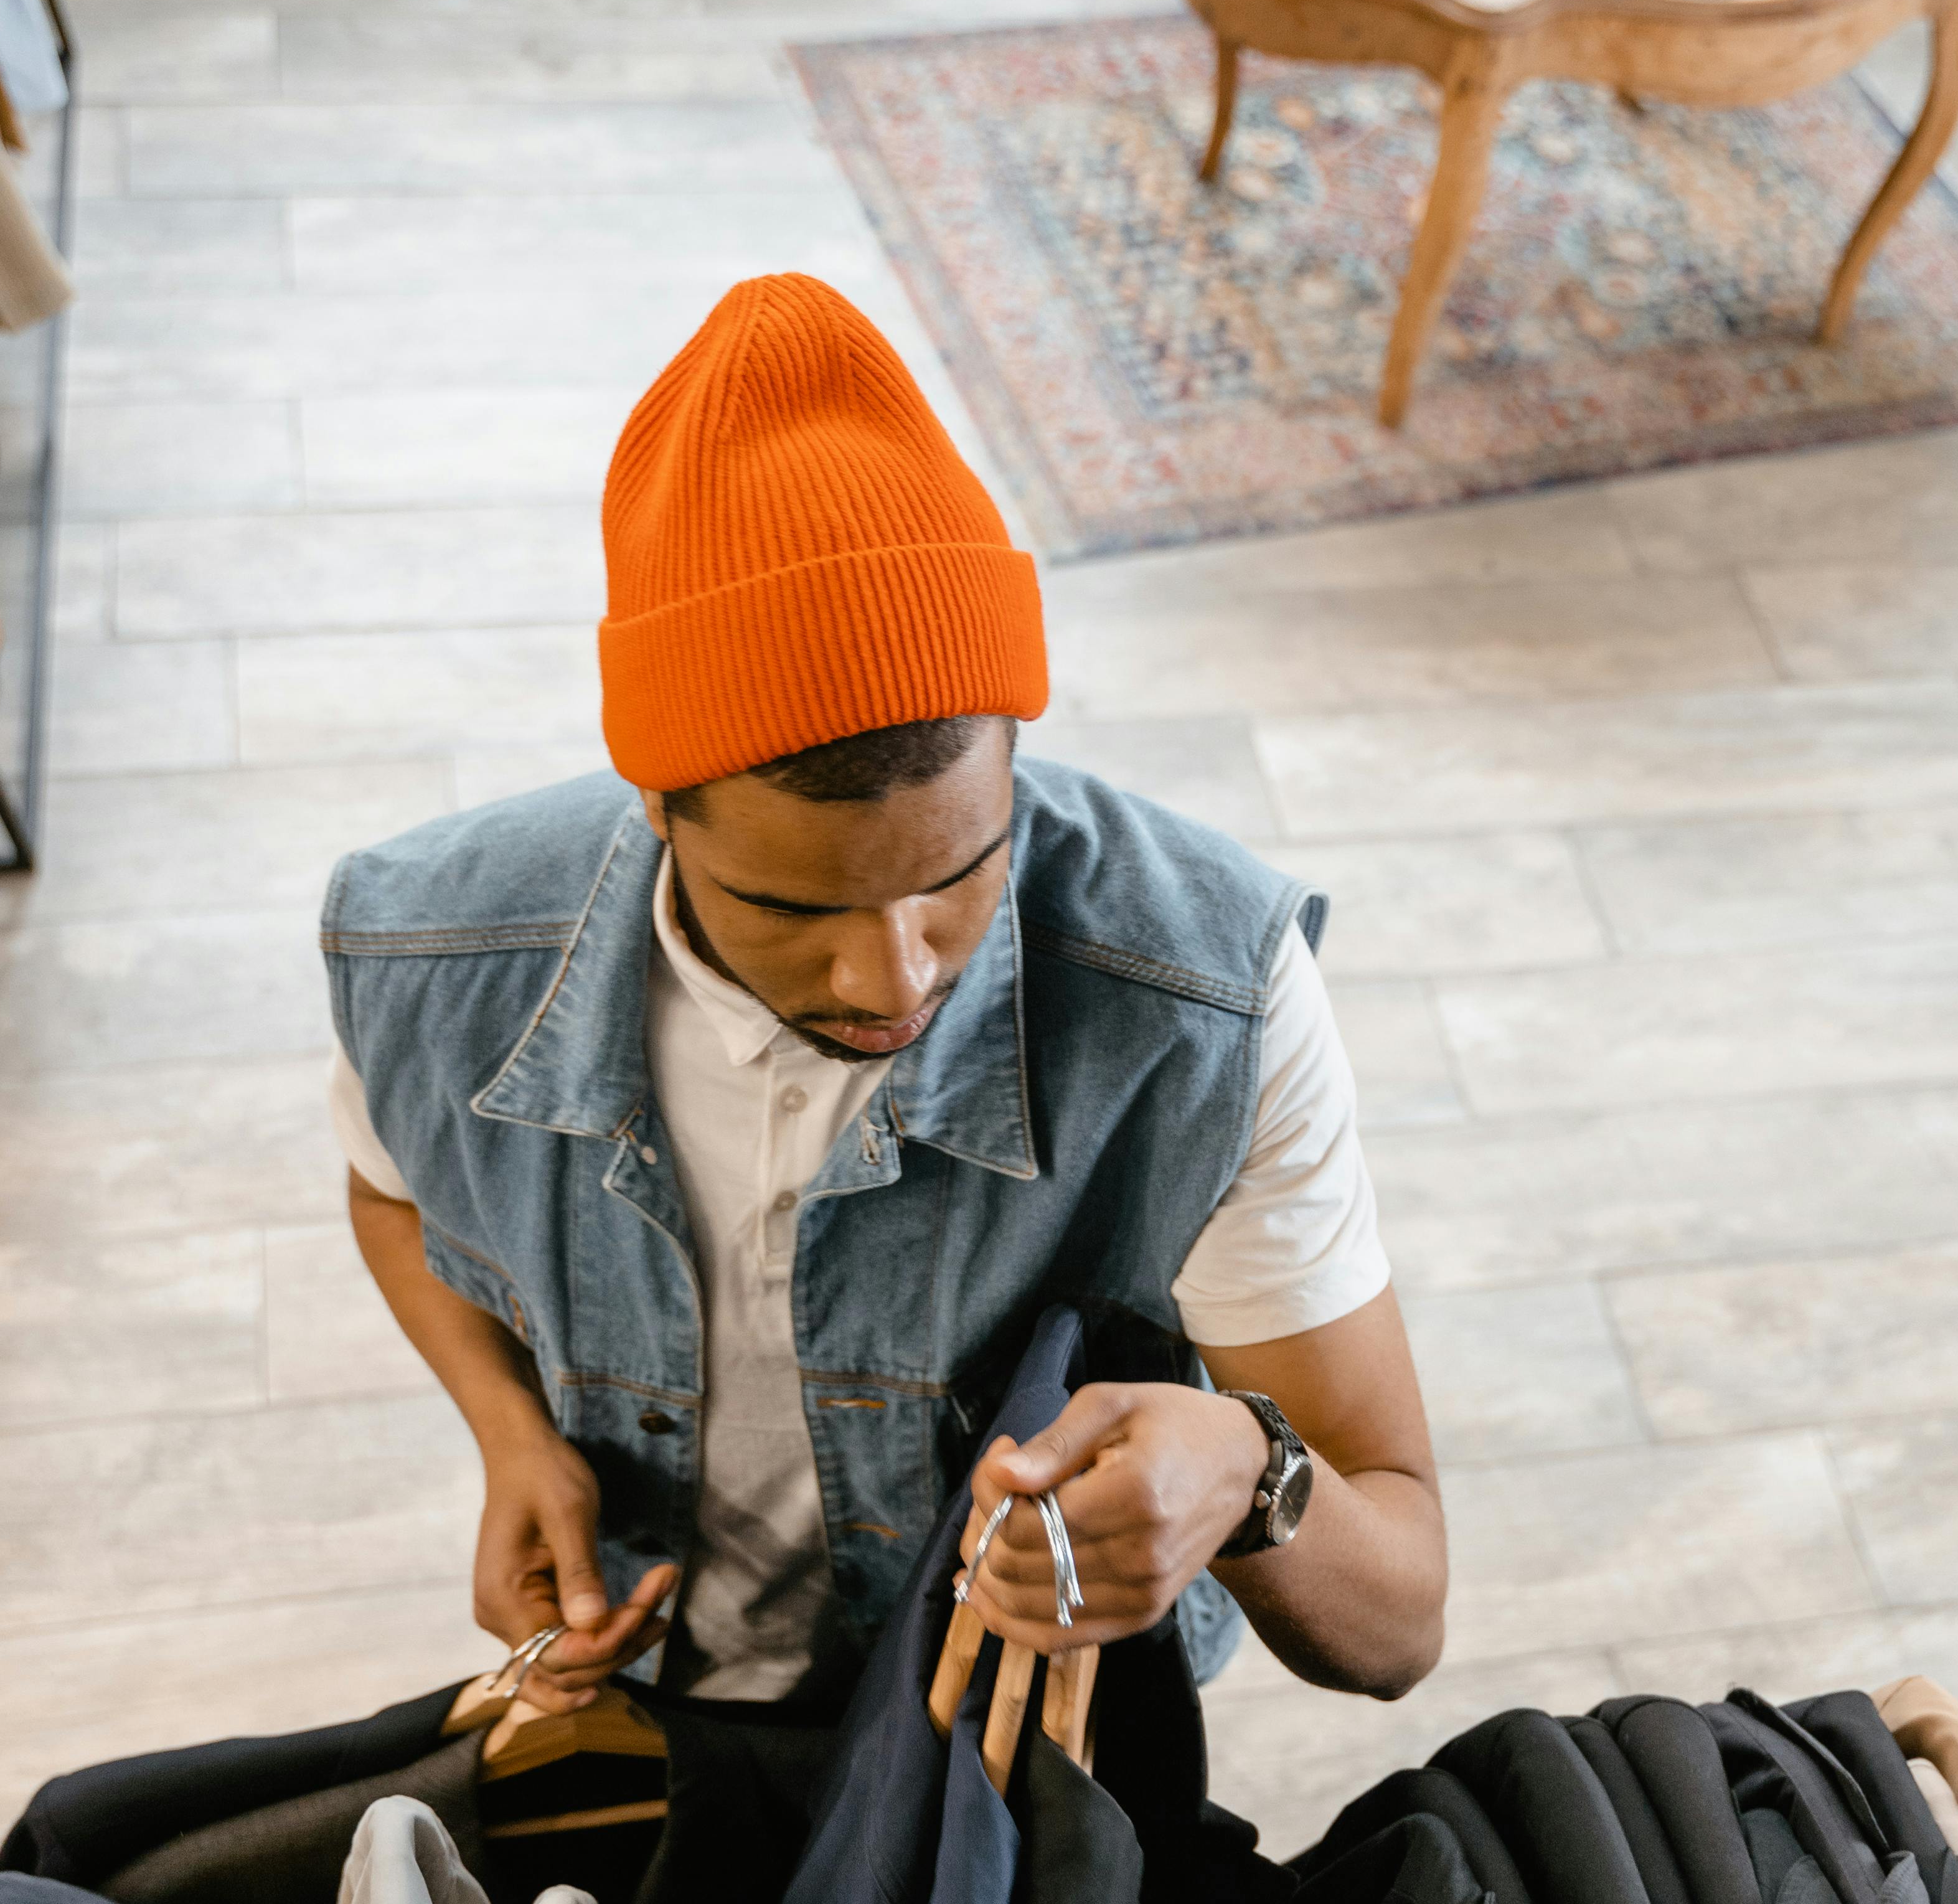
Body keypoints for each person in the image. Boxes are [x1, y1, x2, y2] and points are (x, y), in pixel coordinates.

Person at [322, 272, 1445, 1730]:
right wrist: (510, 1434)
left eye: (961, 878)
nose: (894, 976)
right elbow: (392, 1196)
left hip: (1027, 1767)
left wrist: (1244, 1466)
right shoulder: (426, 953)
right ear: (656, 804)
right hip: (657, 1710)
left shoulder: (1204, 1007)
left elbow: (1400, 1621)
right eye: (795, 909)